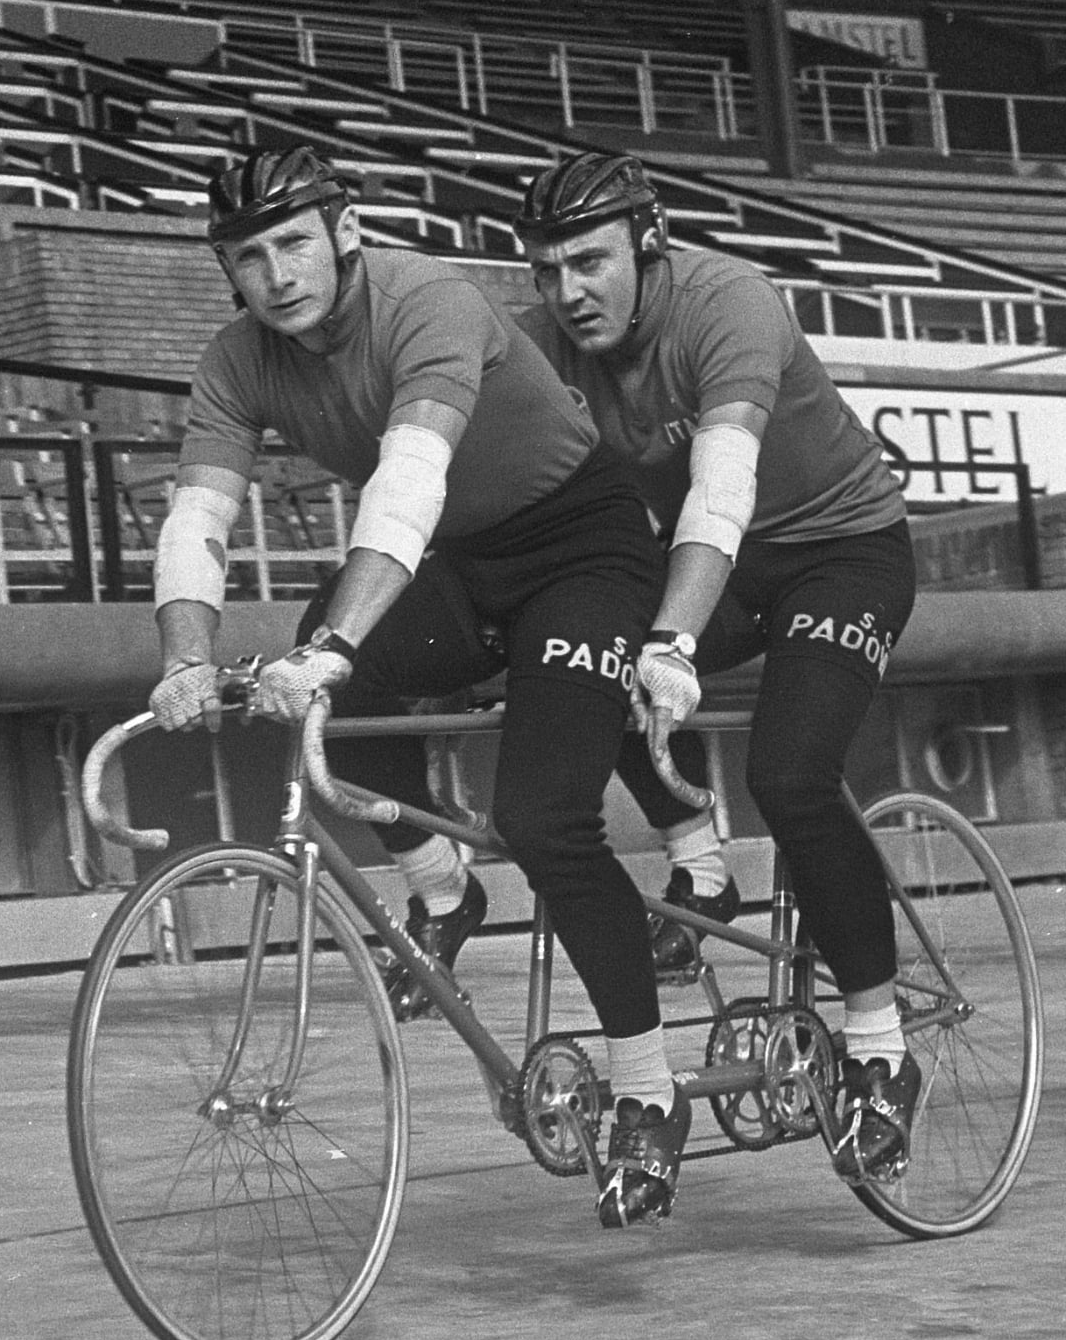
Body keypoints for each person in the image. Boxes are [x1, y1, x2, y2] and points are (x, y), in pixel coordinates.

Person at [148, 144, 691, 1228]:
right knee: (323, 705)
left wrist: (336, 648)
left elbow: (406, 487)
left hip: (580, 546)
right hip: (464, 565)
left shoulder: (425, 300)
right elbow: (196, 520)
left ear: (345, 229)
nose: (276, 274)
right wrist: (184, 656)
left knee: (544, 815)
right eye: (248, 257)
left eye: (294, 241)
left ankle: (647, 1088)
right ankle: (447, 892)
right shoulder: (236, 360)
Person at [514, 152, 920, 1185]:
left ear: (649, 246)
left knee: (789, 773)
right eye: (548, 269)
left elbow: (720, 487)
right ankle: (697, 857)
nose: (570, 292)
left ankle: (880, 1048)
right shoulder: (550, 344)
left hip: (840, 552)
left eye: (592, 262)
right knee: (585, 663)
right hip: (726, 563)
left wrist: (677, 640)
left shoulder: (728, 300)